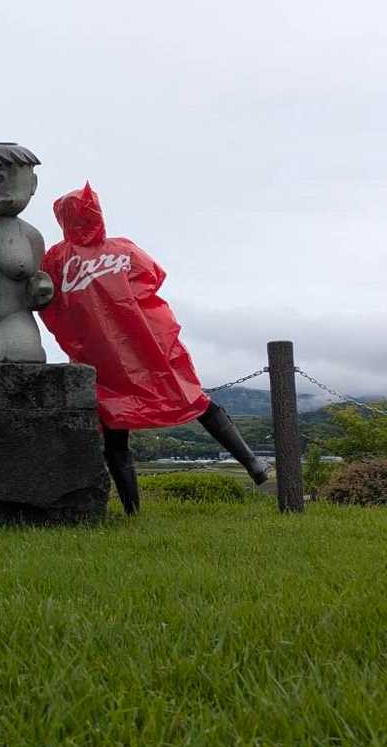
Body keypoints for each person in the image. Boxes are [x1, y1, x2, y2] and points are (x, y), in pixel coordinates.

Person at [40, 182, 269, 514]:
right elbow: (153, 278)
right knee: (195, 398)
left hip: (100, 357)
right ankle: (252, 462)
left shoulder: (57, 258)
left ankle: (132, 511)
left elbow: (45, 299)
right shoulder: (123, 249)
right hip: (146, 344)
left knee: (115, 426)